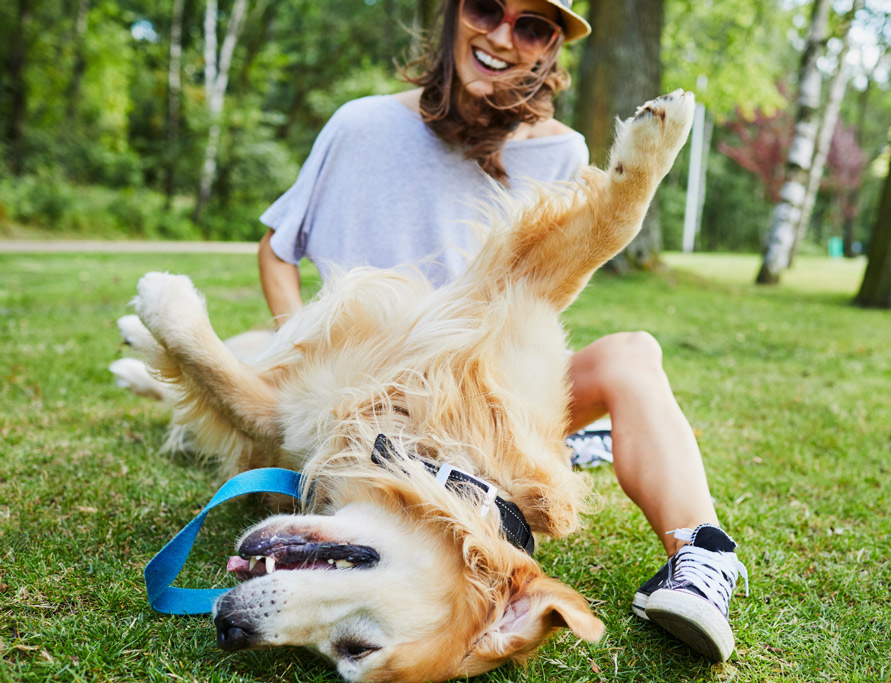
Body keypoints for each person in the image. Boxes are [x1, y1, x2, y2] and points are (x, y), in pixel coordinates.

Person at [257, 0, 747, 663]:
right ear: (452, 12)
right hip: (373, 395)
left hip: (489, 399)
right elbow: (277, 249)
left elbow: (542, 297)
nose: (500, 36)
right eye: (487, 7)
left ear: (551, 48)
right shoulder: (362, 125)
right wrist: (297, 354)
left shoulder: (561, 151)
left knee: (635, 353)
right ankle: (597, 443)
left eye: (532, 25)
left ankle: (700, 561)